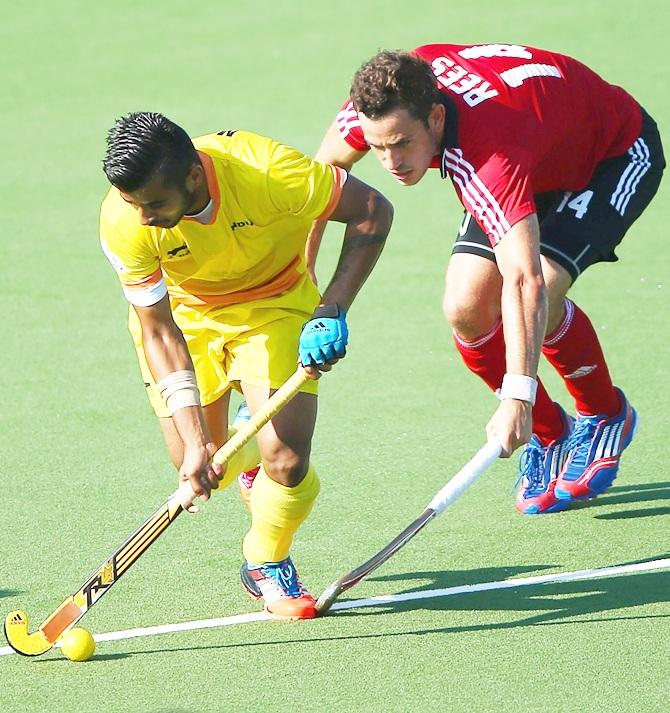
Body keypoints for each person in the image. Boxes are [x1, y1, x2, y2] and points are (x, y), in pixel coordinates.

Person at [307, 43, 665, 514]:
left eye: (401, 145)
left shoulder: (488, 157)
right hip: (535, 152)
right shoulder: (381, 105)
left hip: (610, 155)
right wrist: (306, 288)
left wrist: (518, 393)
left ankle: (603, 413)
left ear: (436, 120)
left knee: (546, 287)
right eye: (378, 148)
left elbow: (524, 281)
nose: (391, 162)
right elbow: (316, 185)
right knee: (465, 307)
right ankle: (550, 433)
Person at [100, 112, 393, 618]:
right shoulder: (124, 220)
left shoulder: (267, 171)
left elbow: (372, 210)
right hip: (186, 318)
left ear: (193, 177)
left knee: (287, 458)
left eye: (154, 204)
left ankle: (266, 559)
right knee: (202, 457)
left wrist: (332, 307)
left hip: (275, 303)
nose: (143, 218)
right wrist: (195, 444)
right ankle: (242, 446)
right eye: (133, 204)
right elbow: (158, 329)